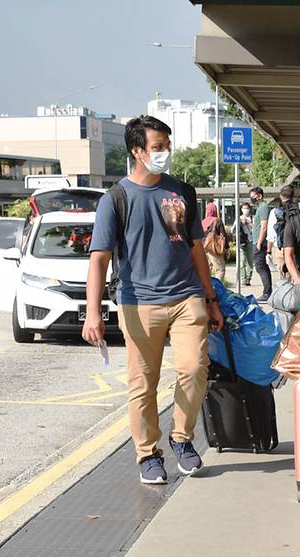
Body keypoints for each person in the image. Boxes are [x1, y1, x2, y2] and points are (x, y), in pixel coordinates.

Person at [83, 115, 224, 485]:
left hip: (186, 297)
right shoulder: (116, 199)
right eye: (158, 147)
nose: (165, 153)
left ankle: (181, 438)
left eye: (167, 146)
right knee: (142, 383)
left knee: (195, 368)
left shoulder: (182, 192)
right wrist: (93, 313)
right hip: (138, 302)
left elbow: (196, 249)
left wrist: (210, 299)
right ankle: (148, 453)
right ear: (137, 151)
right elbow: (99, 259)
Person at [249, 186, 273, 301]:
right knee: (261, 266)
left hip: (259, 243)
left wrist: (259, 243)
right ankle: (267, 292)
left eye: (253, 196)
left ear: (259, 195)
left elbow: (264, 226)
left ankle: (267, 292)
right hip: (257, 241)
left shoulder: (263, 207)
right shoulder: (260, 207)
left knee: (261, 267)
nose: (252, 199)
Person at [270, 185, 298, 278]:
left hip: (281, 246)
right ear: (293, 195)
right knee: (294, 273)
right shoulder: (298, 209)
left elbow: (271, 231)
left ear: (281, 196)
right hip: (296, 246)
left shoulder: (275, 211)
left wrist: (269, 250)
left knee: (283, 275)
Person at [201, 202, 227, 282]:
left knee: (207, 270)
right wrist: (226, 249)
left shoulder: (202, 222)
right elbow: (223, 236)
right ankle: (217, 288)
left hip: (204, 248)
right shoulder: (217, 221)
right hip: (214, 249)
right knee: (220, 269)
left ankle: (207, 288)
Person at [234, 202, 254, 286]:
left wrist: (248, 223)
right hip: (241, 242)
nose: (245, 210)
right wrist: (240, 223)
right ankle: (243, 279)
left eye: (247, 208)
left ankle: (248, 279)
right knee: (242, 261)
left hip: (250, 242)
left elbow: (256, 228)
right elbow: (233, 230)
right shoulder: (238, 218)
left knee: (250, 262)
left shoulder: (252, 218)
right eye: (243, 208)